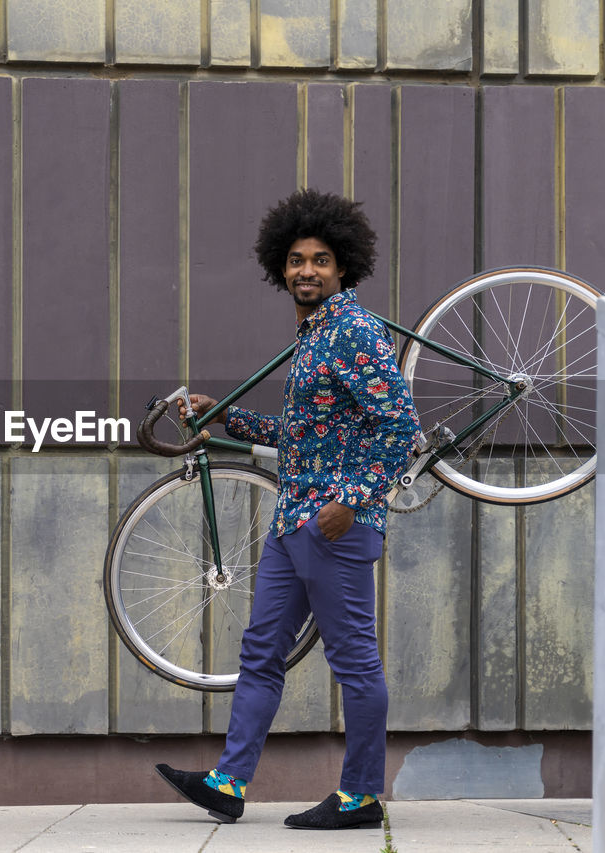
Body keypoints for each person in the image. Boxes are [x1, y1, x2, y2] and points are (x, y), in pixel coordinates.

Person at [154, 188, 421, 830]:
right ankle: (228, 782)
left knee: (354, 661)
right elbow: (301, 435)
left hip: (333, 526)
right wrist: (222, 416)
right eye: (297, 259)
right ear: (282, 267)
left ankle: (360, 795)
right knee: (261, 650)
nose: (307, 270)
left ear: (343, 268)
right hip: (291, 522)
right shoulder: (313, 336)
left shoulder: (355, 331)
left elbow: (401, 426)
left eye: (321, 259)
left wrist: (353, 501)